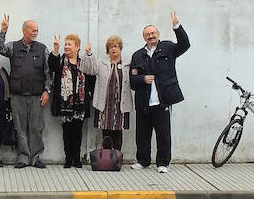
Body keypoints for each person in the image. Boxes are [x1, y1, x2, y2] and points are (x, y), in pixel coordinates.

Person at [128, 11, 190, 173]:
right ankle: (143, 160)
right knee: (142, 135)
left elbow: (185, 45)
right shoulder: (137, 55)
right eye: (148, 34)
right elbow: (132, 81)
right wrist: (143, 79)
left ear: (158, 34)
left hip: (162, 101)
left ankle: (163, 163)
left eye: (153, 33)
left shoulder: (168, 48)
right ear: (144, 38)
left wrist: (177, 26)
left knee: (163, 135)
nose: (151, 36)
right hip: (143, 103)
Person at [0, 15, 50, 169]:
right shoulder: (14, 46)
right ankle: (24, 157)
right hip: (17, 95)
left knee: (36, 127)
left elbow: (48, 72)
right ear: (25, 31)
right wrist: (3, 31)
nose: (35, 32)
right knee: (20, 127)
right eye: (33, 30)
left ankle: (36, 157)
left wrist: (47, 91)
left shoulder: (43, 48)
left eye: (37, 30)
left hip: (36, 95)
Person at [81, 36, 135, 154]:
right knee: (106, 131)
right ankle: (106, 158)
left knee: (118, 131)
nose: (113, 49)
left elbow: (134, 78)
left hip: (121, 103)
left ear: (120, 48)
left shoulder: (127, 65)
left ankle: (117, 157)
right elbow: (89, 70)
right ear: (107, 50)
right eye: (110, 47)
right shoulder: (101, 63)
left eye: (115, 46)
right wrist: (89, 54)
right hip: (105, 103)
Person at [49, 34, 91, 168]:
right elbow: (52, 66)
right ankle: (68, 159)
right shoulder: (61, 61)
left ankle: (77, 159)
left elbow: (92, 74)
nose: (66, 47)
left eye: (69, 44)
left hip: (80, 104)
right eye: (65, 44)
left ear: (77, 47)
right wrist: (55, 50)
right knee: (66, 132)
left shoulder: (83, 62)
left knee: (77, 132)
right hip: (64, 103)